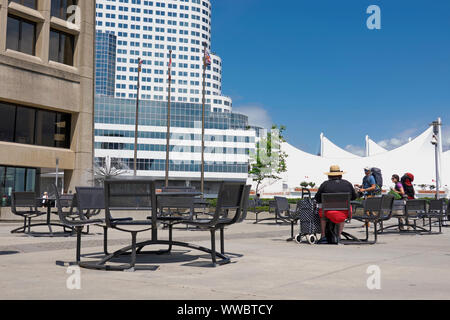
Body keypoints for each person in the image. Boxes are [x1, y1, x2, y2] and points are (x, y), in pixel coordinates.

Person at [314, 165, 357, 244]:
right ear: (340, 175)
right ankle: (338, 236)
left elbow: (317, 198)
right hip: (344, 213)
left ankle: (323, 236)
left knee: (323, 217)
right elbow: (354, 197)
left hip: (327, 212)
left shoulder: (325, 184)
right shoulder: (347, 184)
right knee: (343, 213)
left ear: (329, 175)